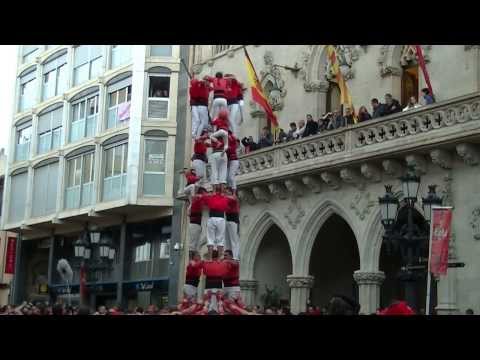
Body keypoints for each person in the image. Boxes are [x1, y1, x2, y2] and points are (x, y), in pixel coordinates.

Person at [204, 188, 229, 259]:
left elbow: (205, 201)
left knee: (210, 239)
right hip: (221, 219)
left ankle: (209, 258)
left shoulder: (211, 197)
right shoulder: (224, 198)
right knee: (220, 240)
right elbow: (227, 207)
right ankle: (219, 258)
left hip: (211, 218)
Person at [210, 110, 229, 192]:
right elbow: (226, 145)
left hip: (215, 153)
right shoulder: (226, 130)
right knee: (223, 172)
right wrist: (224, 151)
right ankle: (223, 191)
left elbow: (212, 122)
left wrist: (217, 142)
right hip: (223, 154)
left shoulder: (218, 127)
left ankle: (214, 191)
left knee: (214, 172)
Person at [188, 188, 207, 256]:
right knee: (192, 245)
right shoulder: (197, 198)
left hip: (197, 224)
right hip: (194, 224)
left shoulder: (197, 199)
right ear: (201, 193)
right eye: (205, 193)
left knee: (204, 239)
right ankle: (191, 260)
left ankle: (196, 255)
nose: (206, 194)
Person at [225, 188, 240, 260]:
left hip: (234, 221)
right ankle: (229, 255)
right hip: (228, 220)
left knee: (234, 240)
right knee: (228, 240)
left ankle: (236, 257)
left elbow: (233, 198)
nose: (226, 192)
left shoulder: (234, 198)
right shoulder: (228, 199)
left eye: (227, 191)